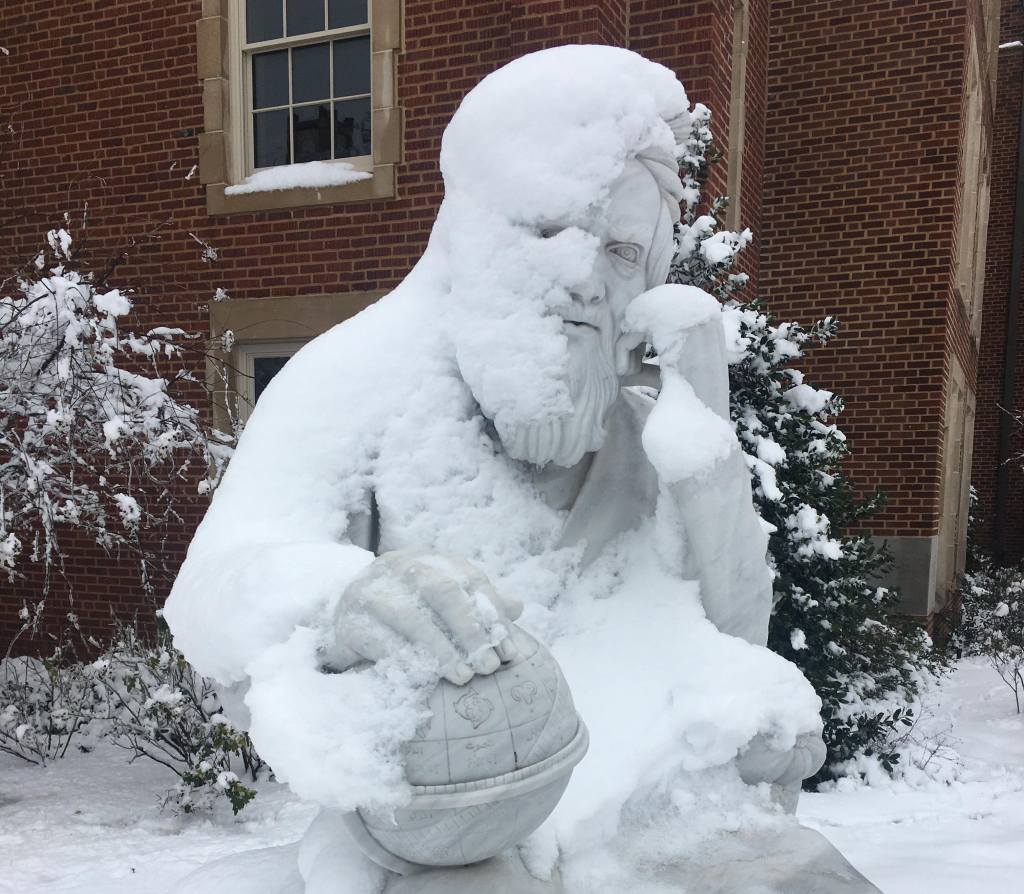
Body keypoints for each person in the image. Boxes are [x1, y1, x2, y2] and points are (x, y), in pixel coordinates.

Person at [165, 45, 826, 893]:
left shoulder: (645, 429)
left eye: (623, 253)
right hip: (448, 831)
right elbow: (219, 593)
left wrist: (707, 447)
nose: (586, 278)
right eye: (552, 231)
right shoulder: (354, 383)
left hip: (638, 809)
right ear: (477, 232)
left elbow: (733, 645)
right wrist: (339, 604)